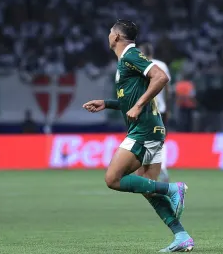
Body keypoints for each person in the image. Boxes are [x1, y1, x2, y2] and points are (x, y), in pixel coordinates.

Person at [82, 20, 194, 252]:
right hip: (151, 128)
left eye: (110, 32)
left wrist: (140, 105)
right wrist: (107, 103)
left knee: (113, 178)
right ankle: (181, 236)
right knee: (148, 188)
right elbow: (129, 100)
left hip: (143, 130)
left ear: (115, 38)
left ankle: (173, 189)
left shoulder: (131, 56)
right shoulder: (127, 60)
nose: (108, 35)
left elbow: (161, 77)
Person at [139, 43, 172, 183]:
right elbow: (167, 89)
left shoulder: (139, 65)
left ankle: (144, 169)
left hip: (144, 109)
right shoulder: (162, 65)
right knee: (160, 140)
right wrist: (168, 107)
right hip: (161, 109)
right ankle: (162, 168)